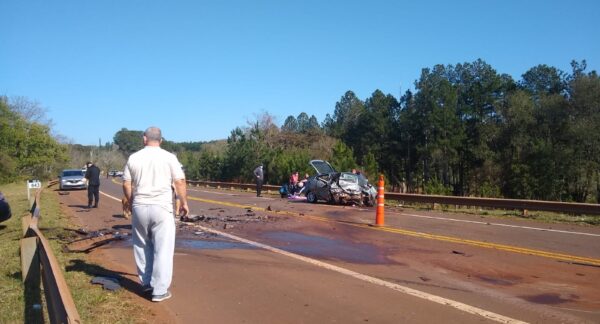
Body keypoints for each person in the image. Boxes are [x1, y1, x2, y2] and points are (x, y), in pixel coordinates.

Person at [122, 127, 189, 302]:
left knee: (142, 245)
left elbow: (127, 183)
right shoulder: (169, 157)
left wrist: (130, 202)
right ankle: (159, 290)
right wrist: (183, 202)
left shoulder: (134, 157)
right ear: (161, 140)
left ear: (144, 139)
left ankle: (146, 283)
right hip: (162, 207)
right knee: (163, 249)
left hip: (140, 205)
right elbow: (180, 181)